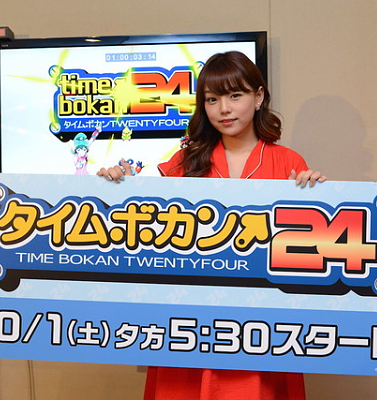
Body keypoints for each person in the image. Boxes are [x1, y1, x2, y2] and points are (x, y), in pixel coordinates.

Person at [98, 51, 326, 400]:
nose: (224, 109)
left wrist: (316, 196)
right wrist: (117, 185)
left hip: (259, 324)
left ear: (258, 97)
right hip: (190, 320)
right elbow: (144, 224)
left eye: (235, 95)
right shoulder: (185, 161)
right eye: (212, 99)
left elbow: (306, 249)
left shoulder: (288, 162)